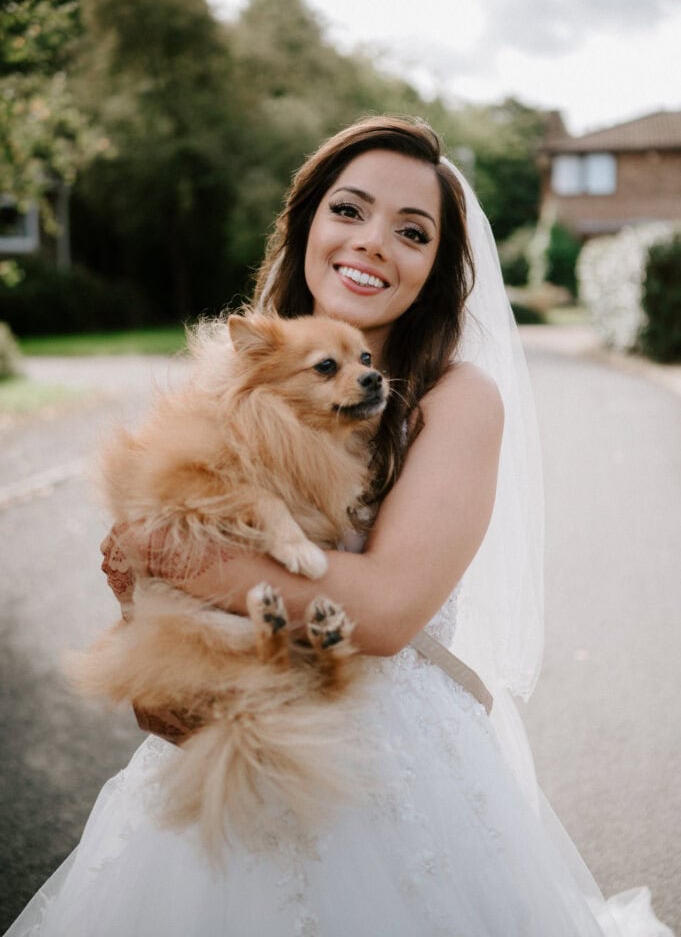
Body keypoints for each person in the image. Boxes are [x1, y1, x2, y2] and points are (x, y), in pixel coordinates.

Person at [5, 116, 673, 937]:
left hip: (383, 761)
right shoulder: (239, 366)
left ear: (435, 267)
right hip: (228, 735)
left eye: (412, 231)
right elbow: (164, 541)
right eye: (349, 211)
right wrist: (147, 609)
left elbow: (388, 610)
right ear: (309, 222)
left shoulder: (454, 400)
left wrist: (176, 556)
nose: (371, 244)